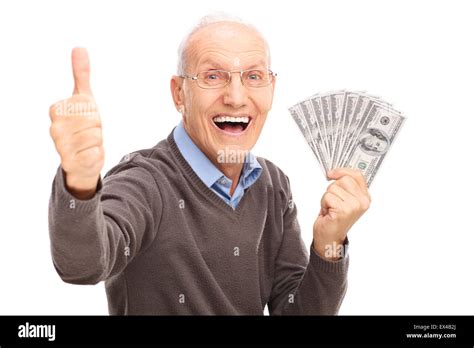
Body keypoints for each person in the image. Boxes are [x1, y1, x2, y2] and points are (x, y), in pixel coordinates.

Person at [48, 14, 371, 315]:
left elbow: (296, 310)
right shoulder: (145, 181)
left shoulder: (273, 185)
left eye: (253, 76)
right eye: (213, 76)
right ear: (179, 94)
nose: (235, 96)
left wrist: (330, 243)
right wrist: (79, 184)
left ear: (271, 90)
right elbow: (83, 264)